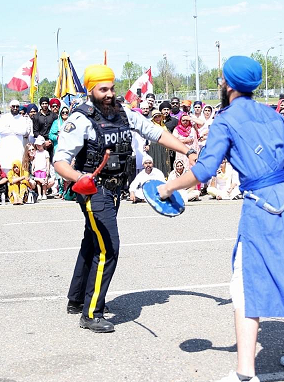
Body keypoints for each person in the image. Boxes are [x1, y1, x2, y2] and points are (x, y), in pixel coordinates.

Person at [158, 56, 284, 382]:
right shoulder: (274, 115)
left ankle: (245, 380)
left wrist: (167, 187)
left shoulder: (226, 121)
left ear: (226, 84)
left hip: (264, 208)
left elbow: (204, 171)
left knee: (244, 286)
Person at [53, 63, 198, 333]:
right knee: (108, 247)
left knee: (92, 240)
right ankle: (92, 313)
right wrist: (77, 178)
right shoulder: (80, 119)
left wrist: (186, 151)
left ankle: (76, 300)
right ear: (90, 90)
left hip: (116, 188)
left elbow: (155, 133)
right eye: (103, 89)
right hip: (93, 190)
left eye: (111, 88)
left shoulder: (124, 113)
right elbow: (60, 160)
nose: (109, 93)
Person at [0, 100, 32, 173]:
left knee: (17, 167)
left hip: (17, 146)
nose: (15, 108)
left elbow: (23, 131)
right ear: (10, 107)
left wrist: (9, 127)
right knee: (5, 168)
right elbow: (0, 130)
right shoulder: (4, 117)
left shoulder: (22, 119)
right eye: (13, 106)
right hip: (5, 147)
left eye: (17, 106)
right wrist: (16, 130)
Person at [147, 109, 172, 177]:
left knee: (165, 163)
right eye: (156, 117)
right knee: (157, 162)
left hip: (164, 148)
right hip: (154, 148)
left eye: (159, 116)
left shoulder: (164, 126)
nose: (158, 118)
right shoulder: (151, 126)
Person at [32, 136, 51, 200]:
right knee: (38, 183)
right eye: (37, 145)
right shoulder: (36, 152)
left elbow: (47, 162)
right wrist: (33, 168)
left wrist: (48, 170)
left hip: (43, 169)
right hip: (37, 169)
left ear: (43, 144)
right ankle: (39, 194)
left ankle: (44, 194)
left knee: (44, 183)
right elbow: (34, 161)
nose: (38, 146)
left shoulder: (46, 152)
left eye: (39, 145)